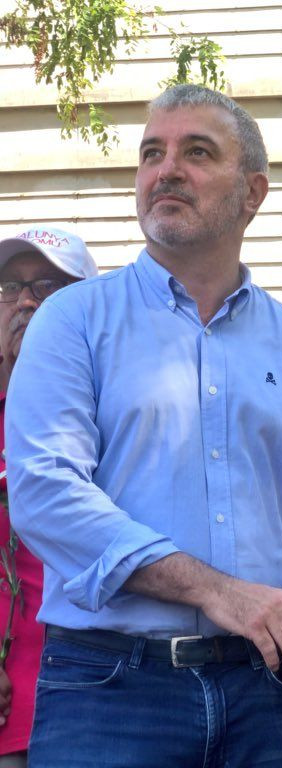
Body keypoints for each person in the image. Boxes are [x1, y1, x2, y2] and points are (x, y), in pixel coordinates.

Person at [5, 84, 282, 767]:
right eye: (151, 153)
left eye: (197, 152)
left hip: (272, 689)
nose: (166, 170)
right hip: (110, 688)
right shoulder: (72, 321)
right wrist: (220, 592)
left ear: (252, 192)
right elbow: (45, 493)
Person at [0, 227, 98, 768]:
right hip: (10, 707)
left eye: (48, 287)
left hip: (109, 699)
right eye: (9, 289)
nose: (26, 303)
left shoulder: (124, 415)